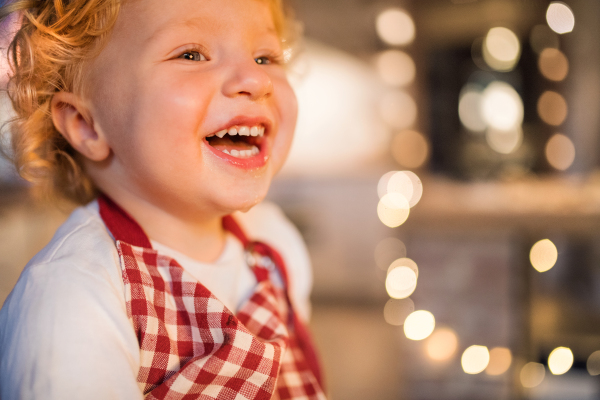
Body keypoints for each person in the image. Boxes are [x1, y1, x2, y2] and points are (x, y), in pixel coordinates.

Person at [0, 0, 326, 398]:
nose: (256, 81)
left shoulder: (275, 242)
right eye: (191, 54)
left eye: (266, 56)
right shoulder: (71, 296)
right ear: (85, 125)